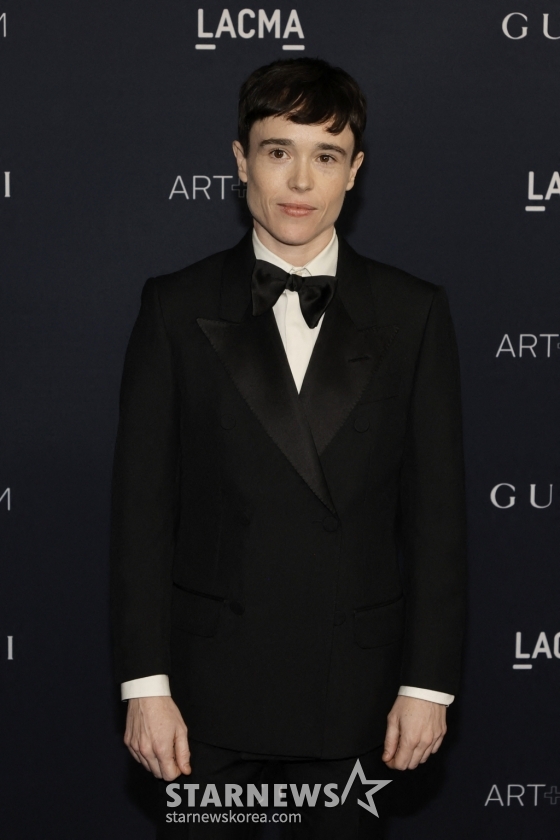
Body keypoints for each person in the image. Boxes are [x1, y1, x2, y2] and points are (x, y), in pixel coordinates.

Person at [110, 57, 467, 839]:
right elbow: (142, 515)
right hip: (203, 698)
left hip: (356, 693)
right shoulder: (174, 306)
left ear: (354, 172)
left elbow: (437, 521)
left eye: (325, 155)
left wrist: (428, 686)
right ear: (242, 161)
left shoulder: (413, 313)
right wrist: (145, 684)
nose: (300, 180)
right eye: (278, 151)